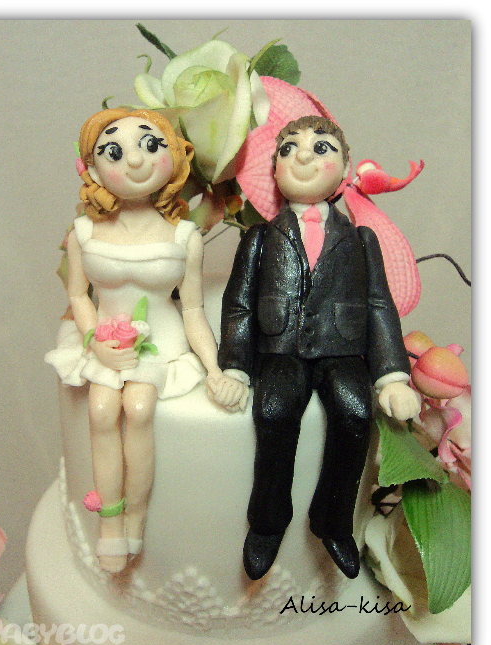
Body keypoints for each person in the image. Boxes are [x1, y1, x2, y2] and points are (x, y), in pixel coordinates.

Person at [215, 115, 420, 580]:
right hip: (280, 348)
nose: (303, 155)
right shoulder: (260, 237)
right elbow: (239, 303)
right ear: (274, 170)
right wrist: (236, 367)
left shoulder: (360, 239)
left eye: (321, 147)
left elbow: (379, 303)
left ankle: (332, 520)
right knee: (273, 411)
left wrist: (392, 375)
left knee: (356, 412)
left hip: (341, 348)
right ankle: (268, 522)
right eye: (288, 149)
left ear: (346, 168)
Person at [46, 108, 241, 573]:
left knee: (138, 408)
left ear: (173, 158)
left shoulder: (185, 236)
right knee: (99, 410)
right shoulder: (84, 232)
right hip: (105, 341)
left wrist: (214, 367)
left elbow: (191, 310)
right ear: (93, 170)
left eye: (150, 145)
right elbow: (79, 295)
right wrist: (94, 340)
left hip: (160, 343)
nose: (135, 160)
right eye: (114, 151)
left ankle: (136, 519)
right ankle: (109, 524)